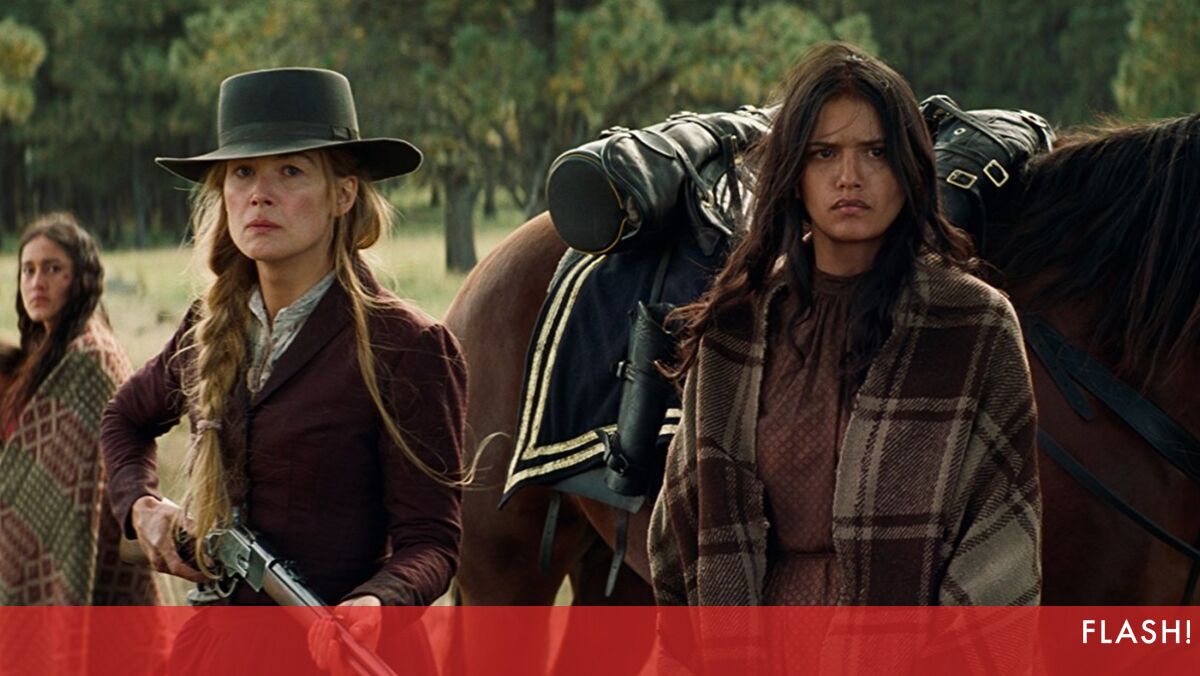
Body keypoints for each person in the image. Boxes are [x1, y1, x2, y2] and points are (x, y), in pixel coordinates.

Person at [649, 42, 1039, 611]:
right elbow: (680, 534)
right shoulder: (737, 328)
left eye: (876, 152)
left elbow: (1000, 547)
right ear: (794, 174)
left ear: (909, 169)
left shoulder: (972, 326)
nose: (849, 178)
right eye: (824, 154)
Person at [100, 68, 465, 672]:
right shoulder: (207, 326)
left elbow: (432, 541)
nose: (259, 194)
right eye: (242, 172)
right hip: (218, 655)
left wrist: (378, 601)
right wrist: (140, 507)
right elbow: (124, 418)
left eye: (290, 171)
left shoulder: (409, 346)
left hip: (345, 656)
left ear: (343, 195)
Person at [0, 213, 162, 670]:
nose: (37, 282)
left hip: (89, 550)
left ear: (82, 278)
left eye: (53, 269)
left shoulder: (90, 358)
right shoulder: (45, 353)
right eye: (28, 270)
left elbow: (62, 479)